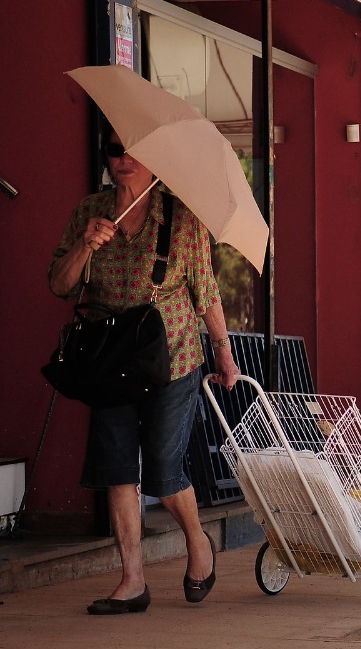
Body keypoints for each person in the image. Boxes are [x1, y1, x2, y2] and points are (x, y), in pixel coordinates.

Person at [48, 132, 240, 615]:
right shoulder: (89, 211)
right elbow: (58, 285)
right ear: (106, 159)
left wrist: (223, 351)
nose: (124, 158)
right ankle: (132, 580)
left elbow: (206, 290)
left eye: (134, 149)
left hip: (171, 357)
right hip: (109, 360)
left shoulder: (180, 216)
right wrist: (85, 247)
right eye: (115, 150)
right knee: (117, 469)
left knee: (162, 468)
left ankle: (197, 542)